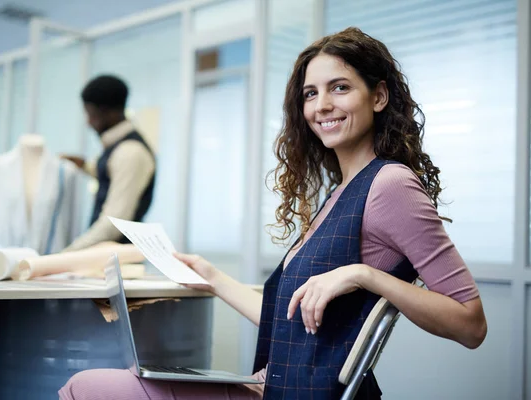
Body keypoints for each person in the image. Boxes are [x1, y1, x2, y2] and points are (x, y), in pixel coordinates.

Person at [58, 27, 487, 399]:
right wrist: (211, 276)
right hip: (272, 385)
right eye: (310, 93)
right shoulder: (342, 192)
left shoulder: (389, 184)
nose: (321, 105)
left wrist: (366, 275)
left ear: (378, 96)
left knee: (85, 387)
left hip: (293, 393)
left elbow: (470, 323)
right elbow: (288, 320)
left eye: (340, 87)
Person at [62, 75, 156, 251]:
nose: (89, 122)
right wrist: (84, 166)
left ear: (108, 112)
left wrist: (67, 254)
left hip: (117, 261)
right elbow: (110, 174)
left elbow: (114, 223)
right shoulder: (119, 148)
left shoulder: (129, 152)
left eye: (91, 115)